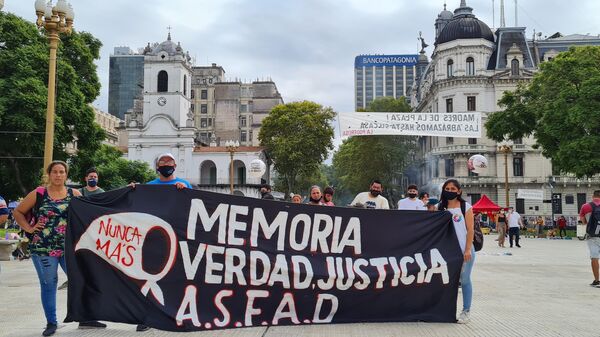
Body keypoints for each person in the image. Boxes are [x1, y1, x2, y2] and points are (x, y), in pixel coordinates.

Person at [13, 161, 106, 336]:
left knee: (81, 280)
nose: (58, 175)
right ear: (49, 174)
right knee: (49, 284)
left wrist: (129, 191)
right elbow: (18, 212)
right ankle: (51, 322)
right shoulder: (39, 193)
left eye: (62, 172)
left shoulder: (75, 194)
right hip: (43, 248)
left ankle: (85, 318)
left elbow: (93, 212)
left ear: (66, 174)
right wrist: (29, 228)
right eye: (54, 172)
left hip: (69, 248)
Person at [437, 179, 475, 323]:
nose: (450, 191)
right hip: (446, 251)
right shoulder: (440, 207)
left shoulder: (466, 207)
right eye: (447, 188)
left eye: (453, 189)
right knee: (446, 281)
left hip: (465, 249)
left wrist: (467, 250)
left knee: (464, 280)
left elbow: (470, 230)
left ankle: (466, 311)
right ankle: (442, 309)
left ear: (459, 191)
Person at [579, 190, 600, 288]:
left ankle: (597, 280)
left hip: (593, 236)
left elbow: (583, 222)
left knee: (594, 257)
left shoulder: (585, 206)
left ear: (593, 196)